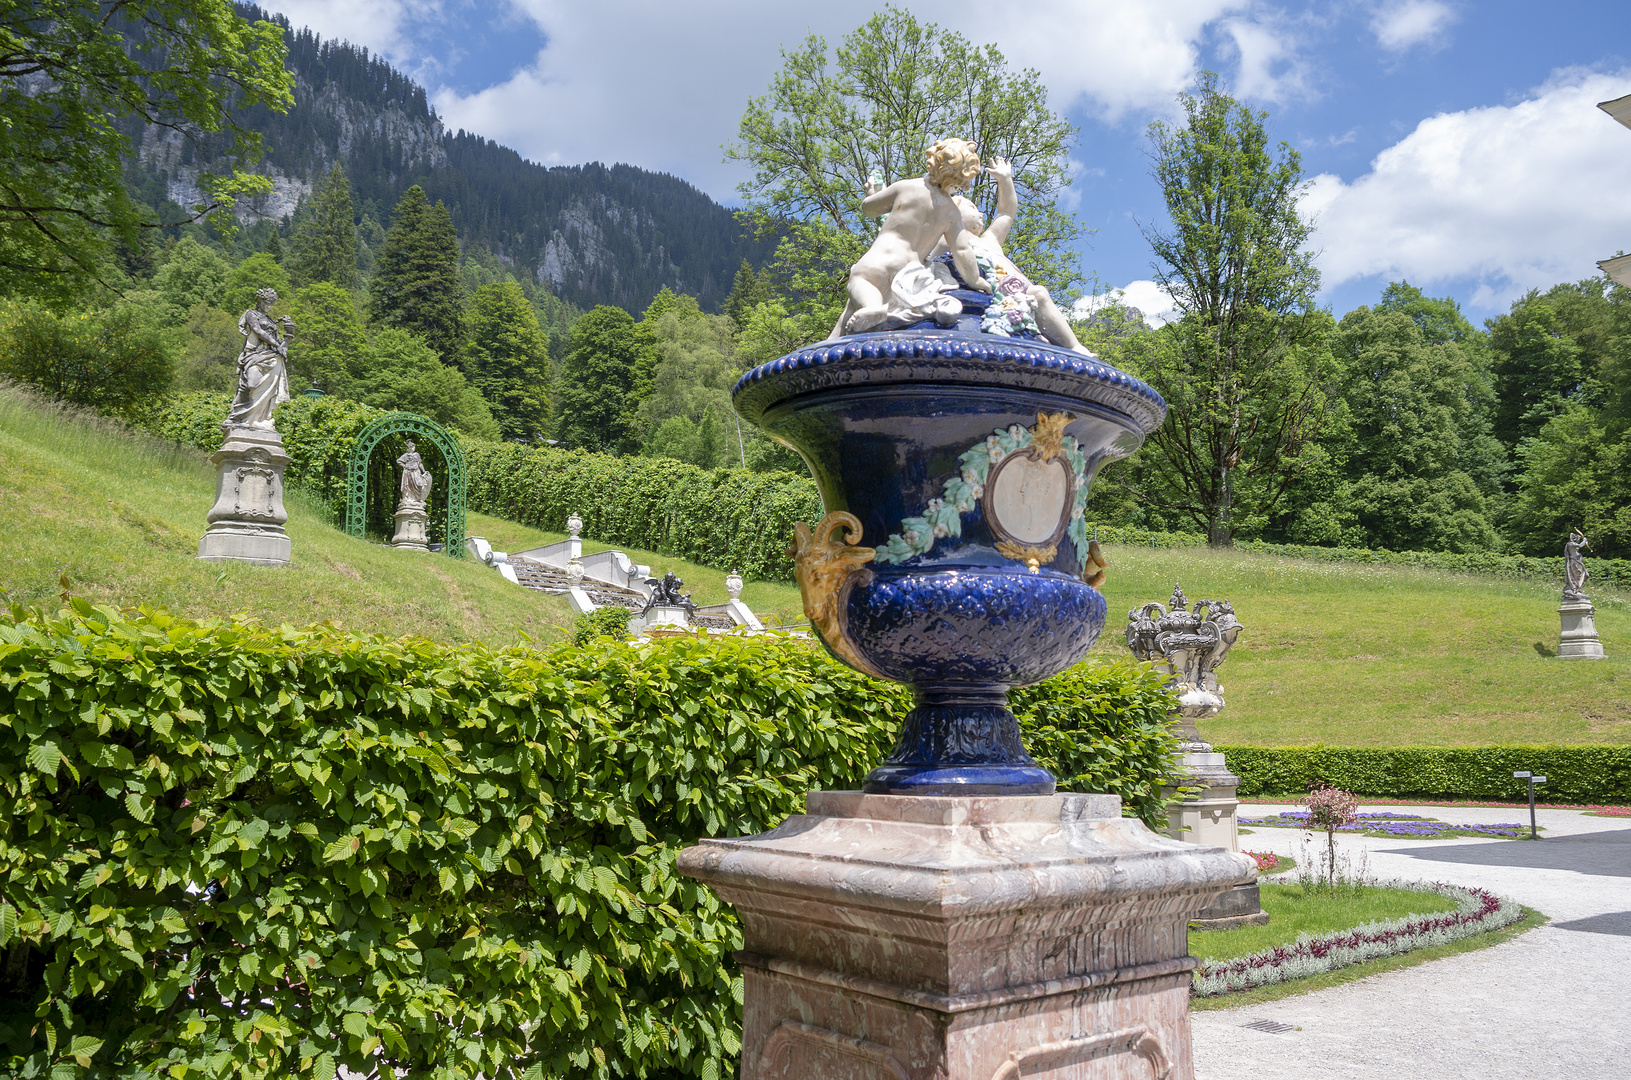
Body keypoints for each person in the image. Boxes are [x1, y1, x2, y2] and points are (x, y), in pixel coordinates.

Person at [932, 158, 1094, 356]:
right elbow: (928, 258)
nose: (981, 213)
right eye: (973, 208)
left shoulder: (989, 240)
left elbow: (1006, 213)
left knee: (1040, 294)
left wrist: (1005, 180)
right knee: (1039, 293)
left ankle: (1073, 346)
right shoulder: (948, 236)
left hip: (1021, 298)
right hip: (991, 300)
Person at [832, 138, 991, 338]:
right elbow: (962, 251)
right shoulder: (952, 212)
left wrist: (871, 193)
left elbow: (869, 209)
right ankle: (843, 333)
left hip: (882, 257)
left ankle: (873, 307)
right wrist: (976, 280)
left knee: (860, 281)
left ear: (933, 158)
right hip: (910, 273)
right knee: (851, 311)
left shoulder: (906, 187)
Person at [223, 287, 294, 432]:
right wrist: (276, 344)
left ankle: (258, 419)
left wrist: (288, 332)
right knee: (251, 384)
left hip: (270, 357)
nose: (269, 307)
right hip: (254, 355)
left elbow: (277, 340)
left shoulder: (270, 320)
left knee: (266, 391)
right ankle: (238, 417)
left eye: (271, 304)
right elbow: (258, 331)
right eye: (267, 303)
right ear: (260, 301)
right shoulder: (251, 314)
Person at [396, 440, 433, 509]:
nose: (414, 448)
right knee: (408, 486)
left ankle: (418, 499)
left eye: (414, 447)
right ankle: (408, 499)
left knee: (419, 484)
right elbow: (398, 461)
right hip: (408, 472)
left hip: (416, 471)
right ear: (409, 448)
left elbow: (420, 463)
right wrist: (405, 466)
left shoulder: (416, 455)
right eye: (412, 447)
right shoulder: (406, 455)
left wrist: (423, 471)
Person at [1564, 529, 1591, 600]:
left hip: (1578, 562)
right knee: (1577, 575)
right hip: (1575, 562)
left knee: (1584, 575)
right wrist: (1584, 540)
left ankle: (1578, 589)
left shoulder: (1573, 544)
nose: (1578, 540)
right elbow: (1580, 546)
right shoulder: (1570, 544)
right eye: (1577, 539)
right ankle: (1574, 589)